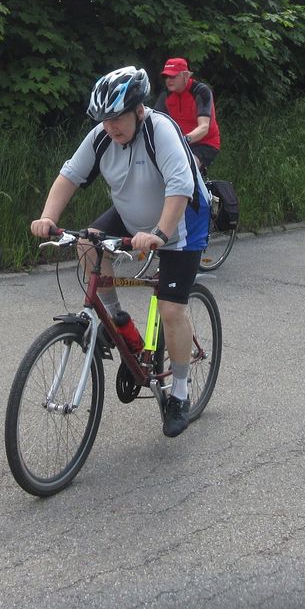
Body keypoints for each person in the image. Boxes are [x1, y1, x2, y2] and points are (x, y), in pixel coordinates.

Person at [30, 66, 212, 438]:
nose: (110, 127)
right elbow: (69, 176)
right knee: (87, 244)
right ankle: (118, 322)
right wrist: (48, 218)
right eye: (104, 119)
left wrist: (159, 233)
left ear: (139, 111)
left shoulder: (160, 132)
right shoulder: (101, 137)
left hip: (180, 220)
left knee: (171, 309)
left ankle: (179, 393)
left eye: (117, 118)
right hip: (132, 214)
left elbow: (180, 187)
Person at [155, 57, 221, 171]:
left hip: (205, 143)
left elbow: (204, 127)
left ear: (185, 76)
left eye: (173, 76)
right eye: (166, 77)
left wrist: (183, 140)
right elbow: (155, 121)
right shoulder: (166, 94)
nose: (168, 80)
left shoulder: (201, 91)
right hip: (178, 144)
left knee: (186, 167)